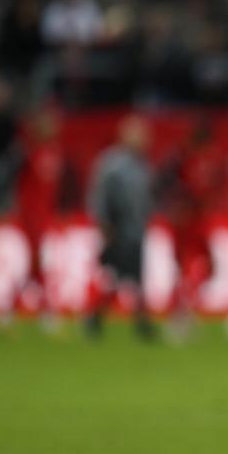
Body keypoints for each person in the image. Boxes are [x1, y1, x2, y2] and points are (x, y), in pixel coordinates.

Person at [86, 115, 155, 339]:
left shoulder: (142, 164)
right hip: (118, 230)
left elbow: (145, 198)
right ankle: (101, 317)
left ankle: (133, 321)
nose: (143, 139)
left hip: (137, 230)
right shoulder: (112, 164)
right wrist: (105, 225)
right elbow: (100, 197)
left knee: (131, 277)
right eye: (138, 135)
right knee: (118, 277)